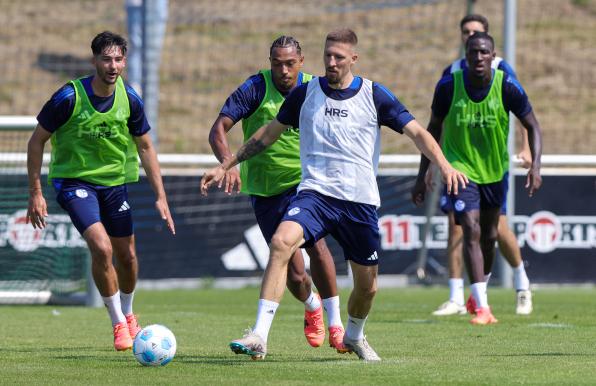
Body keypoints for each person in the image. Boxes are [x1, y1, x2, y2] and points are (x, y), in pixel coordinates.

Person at [201, 28, 468, 360]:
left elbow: (418, 133)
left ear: (353, 59)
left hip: (359, 202)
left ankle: (353, 333)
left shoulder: (375, 95)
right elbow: (267, 134)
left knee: (367, 287)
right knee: (281, 242)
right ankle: (260, 334)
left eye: (339, 57)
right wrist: (227, 164)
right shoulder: (306, 93)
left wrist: (443, 165)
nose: (331, 62)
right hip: (315, 194)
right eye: (327, 55)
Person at [26, 31, 175, 351]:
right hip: (74, 183)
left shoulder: (130, 99)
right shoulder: (68, 97)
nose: (113, 65)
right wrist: (35, 191)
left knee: (128, 256)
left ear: (125, 61)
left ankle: (130, 312)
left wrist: (161, 195)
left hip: (114, 186)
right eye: (106, 59)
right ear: (94, 60)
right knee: (101, 247)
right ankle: (117, 322)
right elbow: (36, 140)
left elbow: (146, 147)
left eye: (118, 59)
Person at [207, 35, 346, 352]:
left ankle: (336, 322)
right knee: (296, 276)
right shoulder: (255, 88)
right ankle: (312, 305)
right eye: (276, 63)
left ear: (301, 61)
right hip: (266, 190)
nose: (283, 70)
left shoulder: (317, 87)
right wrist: (227, 165)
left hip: (307, 184)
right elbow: (218, 130)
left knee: (318, 245)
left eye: (289, 63)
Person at [412, 32, 542, 325]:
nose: (479, 57)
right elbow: (431, 132)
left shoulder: (506, 86)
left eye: (485, 52)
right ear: (466, 54)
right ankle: (482, 306)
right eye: (474, 52)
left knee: (490, 235)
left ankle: (477, 291)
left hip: (495, 172)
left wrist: (536, 166)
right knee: (469, 229)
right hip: (460, 170)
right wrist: (424, 174)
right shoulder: (448, 86)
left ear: (493, 55)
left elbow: (532, 124)